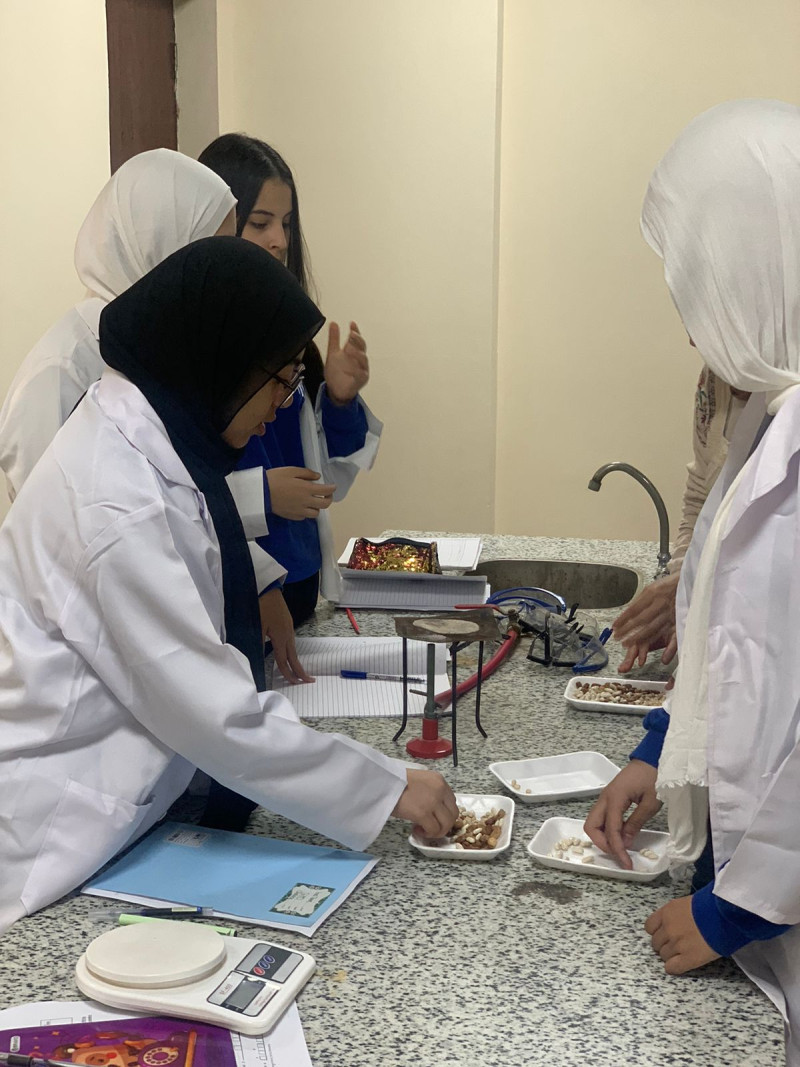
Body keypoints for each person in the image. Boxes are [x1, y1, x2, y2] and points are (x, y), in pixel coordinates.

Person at [0, 237, 457, 934]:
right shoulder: (115, 503)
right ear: (218, 361)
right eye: (279, 379)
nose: (282, 403)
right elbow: (213, 714)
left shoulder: (153, 435)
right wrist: (388, 786)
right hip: (52, 824)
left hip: (128, 792)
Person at [584, 99, 800, 1063]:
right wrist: (656, 745)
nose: (691, 335)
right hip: (744, 891)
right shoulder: (766, 420)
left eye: (705, 293)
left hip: (767, 904)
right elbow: (734, 649)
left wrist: (733, 910)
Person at [198, 133, 382, 625]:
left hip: (300, 580)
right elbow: (178, 491)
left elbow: (325, 475)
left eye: (286, 223)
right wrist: (260, 494)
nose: (279, 240)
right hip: (239, 588)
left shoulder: (290, 339)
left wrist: (339, 401)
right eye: (260, 223)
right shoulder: (194, 344)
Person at [612, 366, 748, 673]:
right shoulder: (715, 376)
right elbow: (702, 491)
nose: (693, 343)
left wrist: (697, 590)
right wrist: (684, 594)